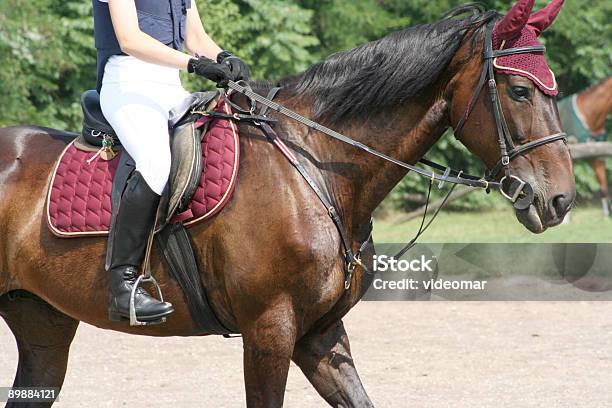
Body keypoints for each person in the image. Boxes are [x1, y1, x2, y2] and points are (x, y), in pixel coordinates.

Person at [92, 0, 249, 323]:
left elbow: (196, 37)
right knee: (155, 163)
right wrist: (194, 65)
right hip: (127, 83)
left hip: (169, 86)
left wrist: (222, 57)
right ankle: (123, 285)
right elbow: (130, 40)